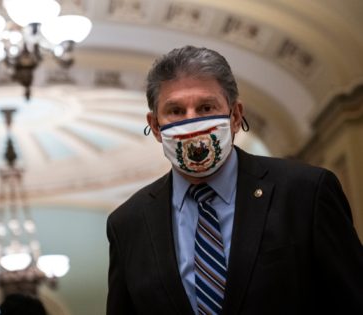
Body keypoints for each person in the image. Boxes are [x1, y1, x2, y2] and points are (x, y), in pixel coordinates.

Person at [106, 46, 363, 315]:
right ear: (156, 126)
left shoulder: (305, 193)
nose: (192, 122)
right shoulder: (127, 224)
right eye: (176, 110)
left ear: (236, 115)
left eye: (206, 107)